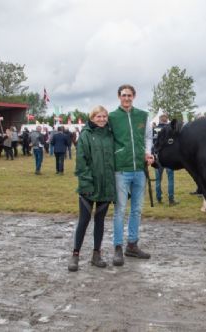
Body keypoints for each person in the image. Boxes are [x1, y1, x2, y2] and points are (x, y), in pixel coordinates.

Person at [109, 84, 153, 266]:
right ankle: (118, 247)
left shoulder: (143, 115)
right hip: (121, 169)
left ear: (134, 96)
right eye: (123, 95)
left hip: (139, 170)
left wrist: (148, 152)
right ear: (119, 97)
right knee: (120, 210)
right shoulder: (112, 117)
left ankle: (132, 245)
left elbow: (148, 137)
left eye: (129, 95)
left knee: (136, 209)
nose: (126, 98)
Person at [68, 106, 116, 272]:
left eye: (104, 116)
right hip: (89, 186)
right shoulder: (86, 136)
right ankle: (75, 254)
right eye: (98, 116)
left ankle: (96, 254)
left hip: (105, 186)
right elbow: (82, 163)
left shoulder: (110, 135)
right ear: (92, 118)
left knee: (100, 221)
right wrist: (86, 184)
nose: (102, 119)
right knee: (84, 220)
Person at [154, 112, 179, 206]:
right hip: (168, 158)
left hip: (157, 157)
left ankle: (158, 198)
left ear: (159, 119)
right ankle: (171, 199)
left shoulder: (154, 128)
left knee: (158, 179)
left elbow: (153, 143)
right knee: (170, 179)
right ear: (167, 119)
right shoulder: (170, 129)